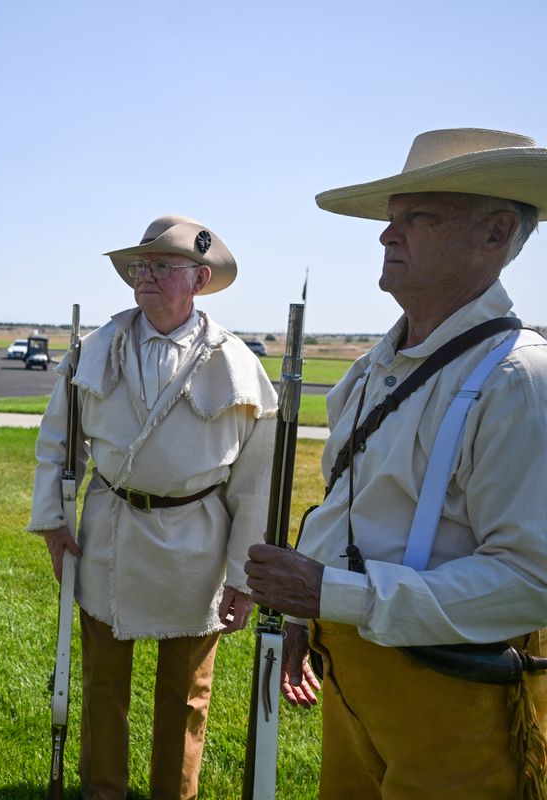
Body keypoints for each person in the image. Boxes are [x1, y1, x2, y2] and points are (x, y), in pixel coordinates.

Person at [245, 129, 547, 799]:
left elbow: (531, 580)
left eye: (419, 219)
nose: (388, 236)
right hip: (353, 676)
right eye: (392, 219)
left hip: (459, 698)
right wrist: (305, 617)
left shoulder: (518, 380)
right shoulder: (368, 370)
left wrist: (332, 595)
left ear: (495, 233)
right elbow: (345, 502)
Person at [29, 216, 278, 799]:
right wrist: (54, 521)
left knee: (186, 691)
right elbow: (57, 442)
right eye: (142, 267)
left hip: (196, 541)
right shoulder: (94, 350)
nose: (147, 277)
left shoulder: (237, 364)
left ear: (199, 278)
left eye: (162, 267)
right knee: (102, 682)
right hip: (109, 534)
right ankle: (102, 791)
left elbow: (256, 482)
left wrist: (244, 574)